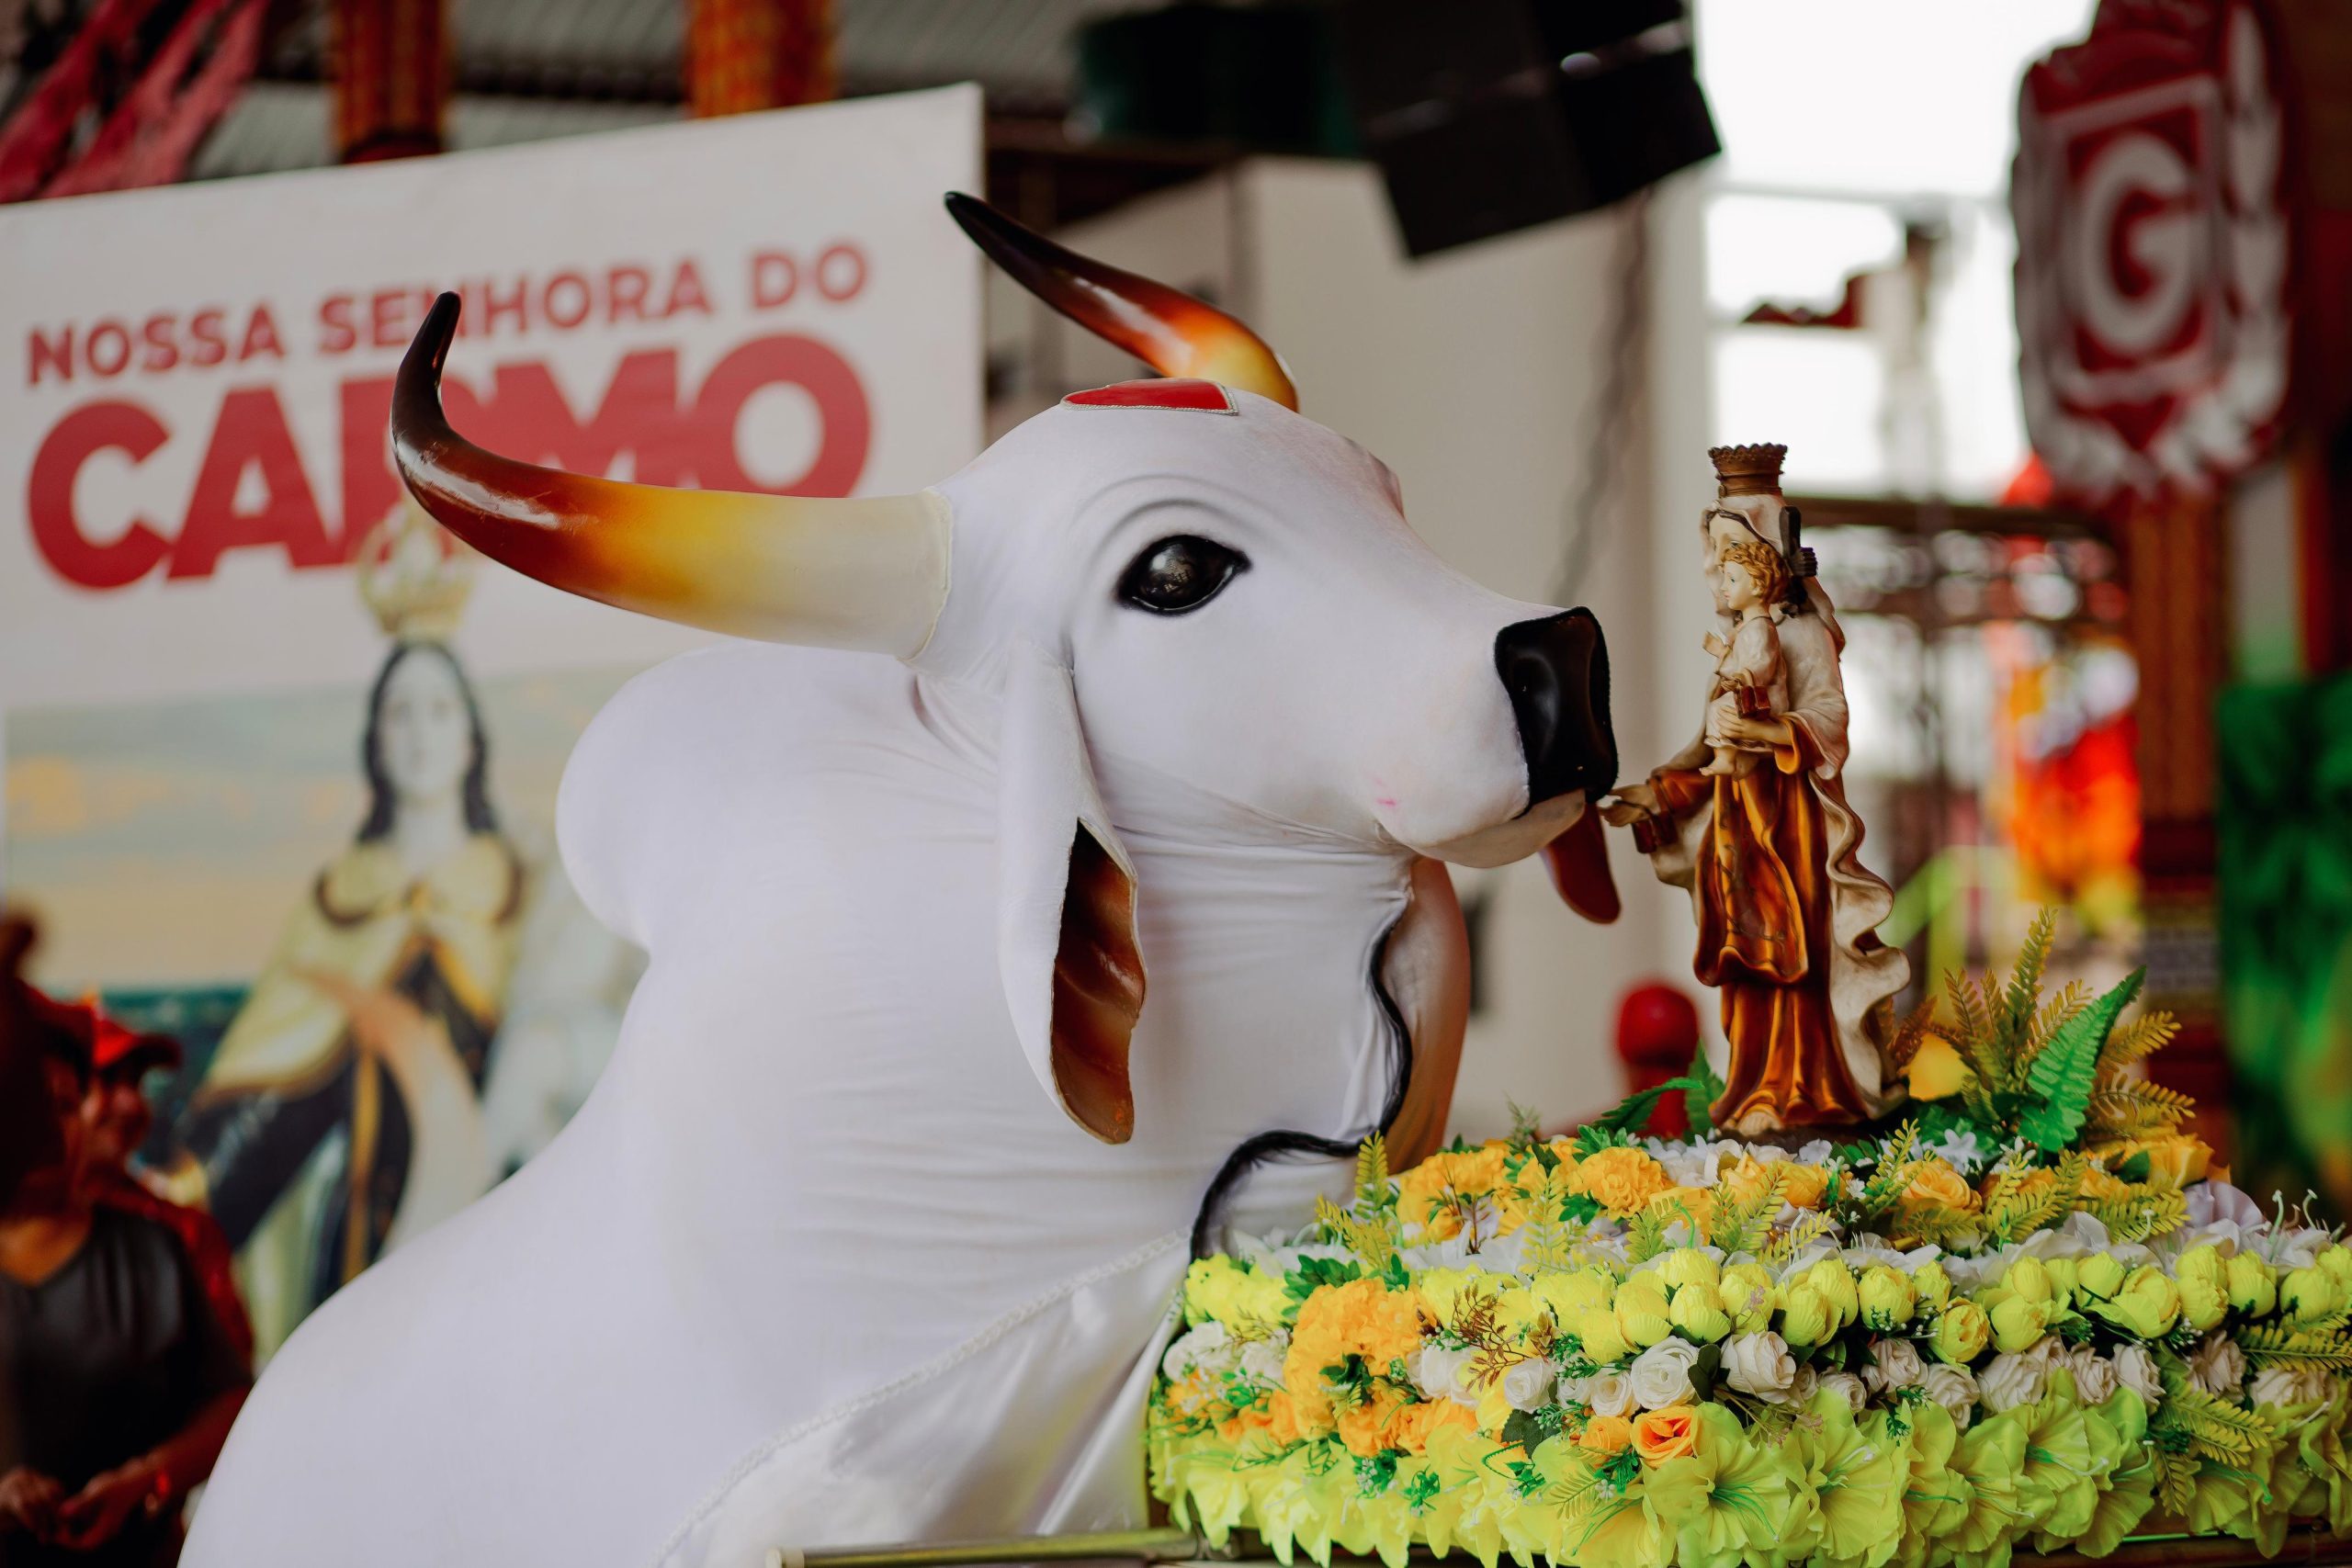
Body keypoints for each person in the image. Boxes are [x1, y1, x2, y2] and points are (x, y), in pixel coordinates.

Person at [171, 638, 526, 1357]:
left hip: (482, 1197)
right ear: (374, 741)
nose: (420, 733)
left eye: (438, 710)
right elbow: (267, 1047)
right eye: (399, 713)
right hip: (342, 1194)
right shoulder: (339, 892)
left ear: (470, 737)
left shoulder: (515, 884)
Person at [1600, 445, 1908, 1134]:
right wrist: (1658, 796)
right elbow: (1708, 745)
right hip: (1739, 821)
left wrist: (1764, 737)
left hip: (1789, 822)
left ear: (1762, 563)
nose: (1712, 572)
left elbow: (1830, 720)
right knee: (1746, 963)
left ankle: (1810, 1090)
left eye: (1725, 558)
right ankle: (1753, 1091)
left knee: (1790, 956)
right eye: (1711, 556)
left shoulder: (1800, 634)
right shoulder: (1739, 637)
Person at [0, 989, 249, 1566]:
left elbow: (228, 1396)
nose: (127, 1106)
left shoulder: (164, 1244)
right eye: (113, 1082)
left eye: (62, 1105)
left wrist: (148, 1480)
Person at [81, 1016, 254, 1368]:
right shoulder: (20, 1227)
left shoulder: (184, 1230)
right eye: (108, 1080)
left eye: (136, 1082)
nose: (131, 1103)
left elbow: (230, 1371)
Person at [1700, 539, 1789, 778]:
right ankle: (1734, 756)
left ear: (1757, 584)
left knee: (1721, 707)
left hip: (1764, 699)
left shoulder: (1761, 628)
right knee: (1720, 707)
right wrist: (1722, 653)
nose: (1722, 588)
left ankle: (1726, 758)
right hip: (1750, 694)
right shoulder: (1747, 627)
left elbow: (1761, 665)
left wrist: (1730, 663)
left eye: (1731, 580)